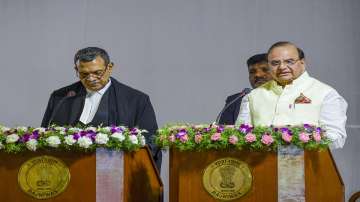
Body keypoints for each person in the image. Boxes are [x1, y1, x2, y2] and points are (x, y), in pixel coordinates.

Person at [41, 47, 162, 169]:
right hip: (67, 172)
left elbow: (151, 142)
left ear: (109, 68)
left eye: (97, 73)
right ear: (76, 69)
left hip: (114, 174)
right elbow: (44, 137)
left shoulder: (136, 100)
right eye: (84, 74)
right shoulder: (61, 97)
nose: (91, 78)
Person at [236, 41, 347, 149]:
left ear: (302, 63)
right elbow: (240, 134)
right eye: (275, 63)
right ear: (269, 65)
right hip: (261, 165)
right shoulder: (253, 96)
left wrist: (299, 141)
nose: (282, 67)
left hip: (308, 164)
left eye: (289, 61)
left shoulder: (325, 93)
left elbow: (336, 137)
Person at [217, 53, 272, 125]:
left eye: (265, 70)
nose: (258, 75)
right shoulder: (235, 100)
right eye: (252, 72)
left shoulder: (288, 98)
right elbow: (223, 131)